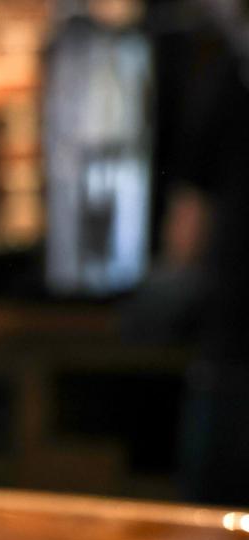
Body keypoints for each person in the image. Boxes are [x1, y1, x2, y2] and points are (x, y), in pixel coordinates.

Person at [161, 5, 249, 504]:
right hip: (230, 322)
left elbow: (189, 219)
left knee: (212, 515)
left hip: (231, 328)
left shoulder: (226, 74)